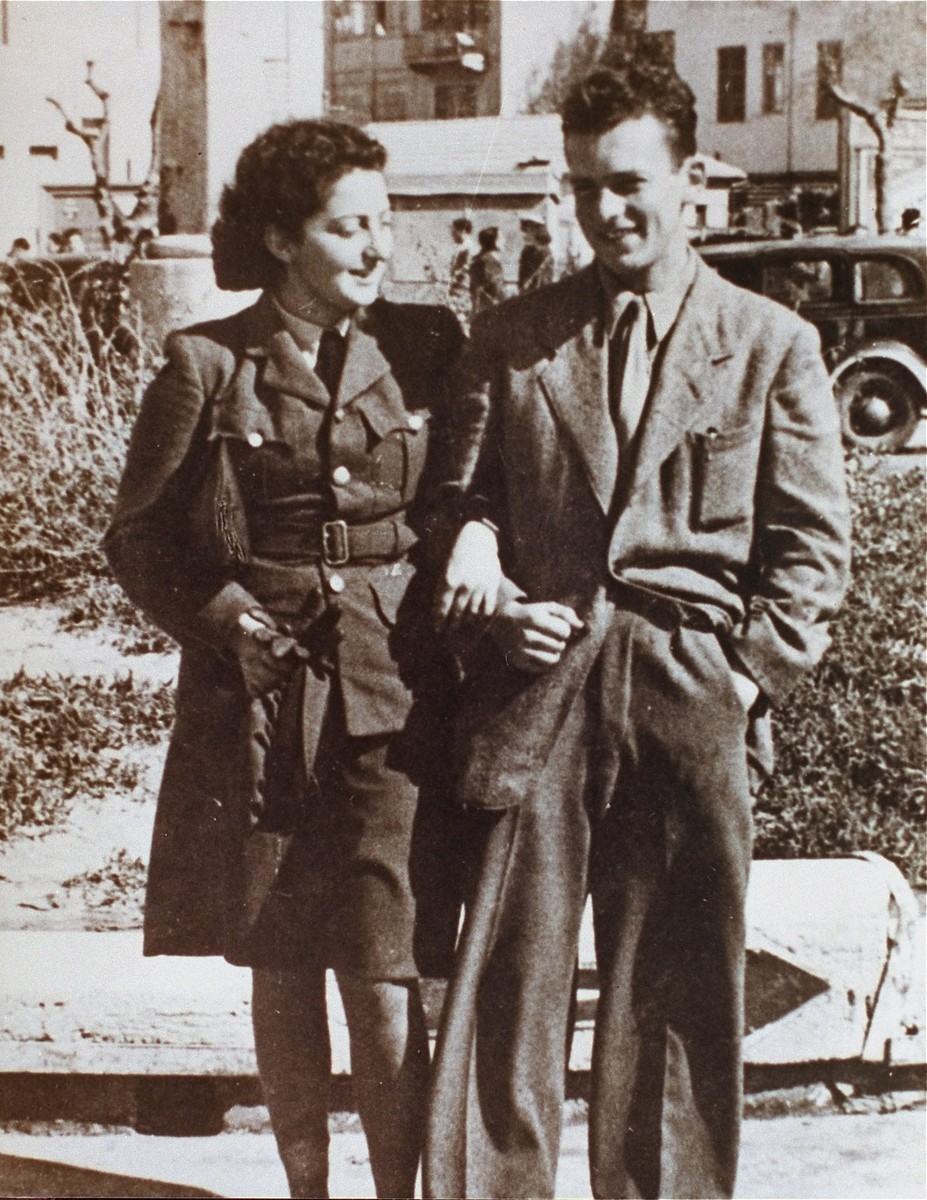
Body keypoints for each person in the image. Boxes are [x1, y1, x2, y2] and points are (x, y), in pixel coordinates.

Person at [427, 56, 851, 1199]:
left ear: (691, 178)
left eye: (626, 183)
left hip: (687, 686)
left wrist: (745, 682)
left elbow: (811, 551)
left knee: (671, 991)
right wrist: (470, 547)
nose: (602, 211)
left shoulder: (770, 345)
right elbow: (456, 498)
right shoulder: (513, 337)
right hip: (539, 684)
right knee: (507, 985)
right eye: (580, 187)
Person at [105, 119, 466, 1199]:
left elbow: (468, 492)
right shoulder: (206, 365)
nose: (375, 249)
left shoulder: (427, 343)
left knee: (385, 962)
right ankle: (309, 1189)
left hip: (391, 686)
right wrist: (225, 619)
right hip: (257, 699)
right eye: (346, 227)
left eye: (384, 224)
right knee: (280, 958)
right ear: (280, 237)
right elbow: (138, 539)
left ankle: (397, 1191)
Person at [469, 225, 507, 314]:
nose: (504, 241)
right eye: (501, 238)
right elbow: (496, 289)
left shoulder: (480, 259)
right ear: (495, 242)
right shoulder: (489, 262)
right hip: (492, 309)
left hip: (481, 308)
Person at [447, 215, 475, 332]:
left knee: (461, 322)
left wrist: (453, 279)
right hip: (457, 291)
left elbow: (465, 269)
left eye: (454, 230)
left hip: (463, 292)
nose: (452, 234)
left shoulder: (468, 248)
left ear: (461, 231)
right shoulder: (462, 248)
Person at [517, 218, 555, 293]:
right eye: (523, 231)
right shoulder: (526, 251)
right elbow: (522, 277)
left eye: (527, 231)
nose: (524, 235)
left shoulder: (545, 252)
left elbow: (542, 280)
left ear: (536, 231)